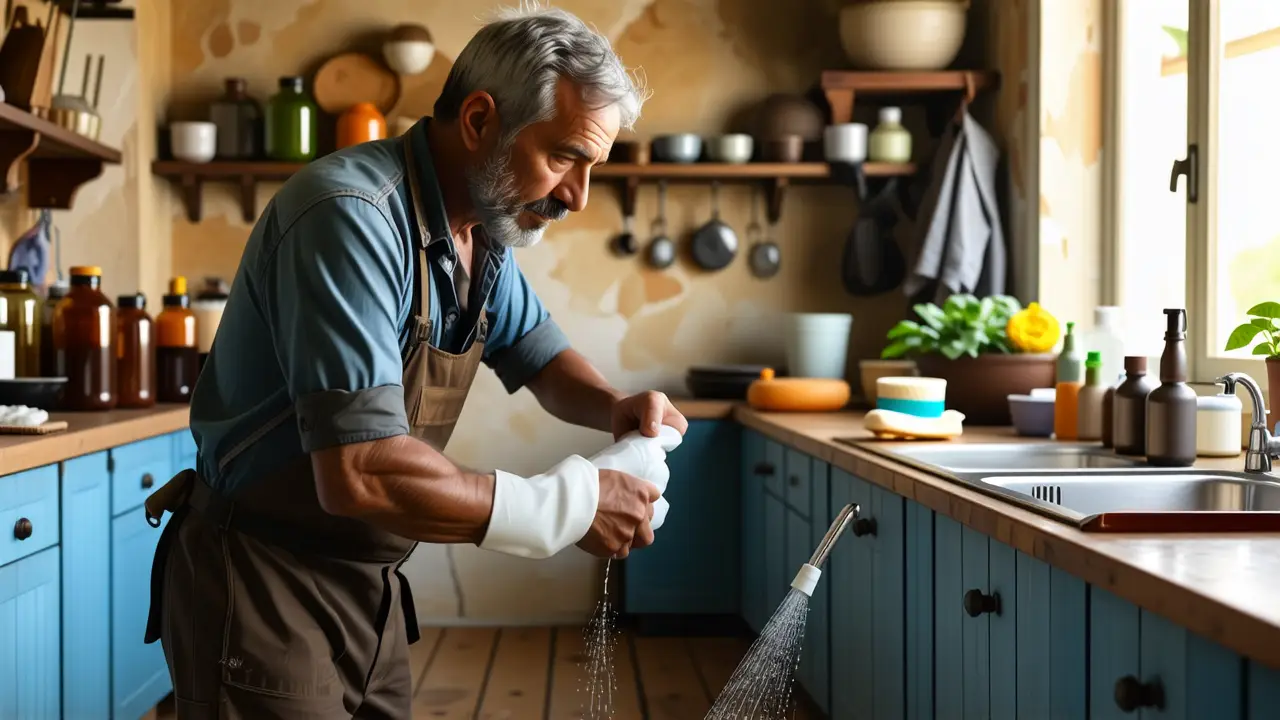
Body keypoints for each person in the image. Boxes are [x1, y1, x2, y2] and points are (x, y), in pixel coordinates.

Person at [141, 6, 685, 718]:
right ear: (480, 120)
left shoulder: (482, 230)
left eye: (592, 167)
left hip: (371, 592)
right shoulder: (350, 216)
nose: (577, 197)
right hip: (263, 582)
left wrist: (615, 405)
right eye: (563, 158)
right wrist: (568, 506)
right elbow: (359, 470)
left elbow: (542, 358)